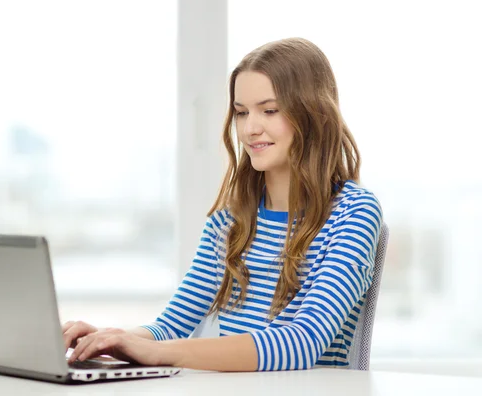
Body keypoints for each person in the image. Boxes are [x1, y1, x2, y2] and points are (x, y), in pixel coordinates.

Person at [62, 37, 383, 372]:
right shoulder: (231, 219)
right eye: (242, 113)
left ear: (312, 114)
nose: (250, 128)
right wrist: (107, 340)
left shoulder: (353, 213)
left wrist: (156, 353)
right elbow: (171, 326)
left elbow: (302, 342)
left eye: (269, 110)